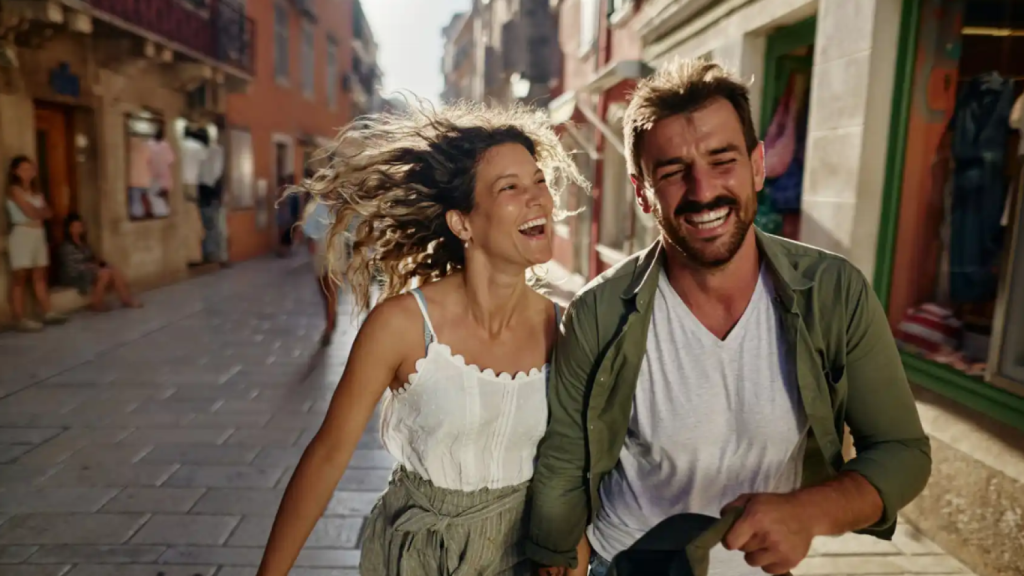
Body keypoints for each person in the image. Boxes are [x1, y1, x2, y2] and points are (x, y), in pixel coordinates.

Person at [527, 60, 932, 576]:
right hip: (626, 562)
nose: (702, 192)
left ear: (758, 165)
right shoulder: (598, 312)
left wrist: (809, 512)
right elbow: (564, 461)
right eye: (673, 172)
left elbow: (901, 450)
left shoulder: (833, 293)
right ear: (642, 190)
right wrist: (559, 557)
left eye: (723, 161)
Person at [255, 101, 590, 576]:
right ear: (463, 223)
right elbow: (329, 454)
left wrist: (570, 553)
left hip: (524, 555)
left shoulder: (565, 329)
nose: (539, 198)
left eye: (538, 181)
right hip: (417, 554)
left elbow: (571, 467)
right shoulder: (402, 326)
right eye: (510, 187)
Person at [5, 156, 67, 331]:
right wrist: (39, 211)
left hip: (38, 234)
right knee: (20, 277)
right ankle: (20, 318)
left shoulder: (37, 193)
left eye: (30, 168)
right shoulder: (14, 190)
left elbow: (49, 213)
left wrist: (39, 211)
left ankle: (48, 312)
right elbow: (31, 212)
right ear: (15, 171)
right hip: (21, 234)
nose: (28, 172)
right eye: (23, 169)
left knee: (40, 274)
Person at [57, 213, 142, 311]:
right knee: (104, 273)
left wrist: (101, 264)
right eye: (74, 227)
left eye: (79, 226)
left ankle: (126, 299)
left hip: (88, 270)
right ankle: (96, 303)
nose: (78, 229)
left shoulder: (83, 243)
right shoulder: (66, 247)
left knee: (113, 270)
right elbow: (72, 267)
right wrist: (93, 267)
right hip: (74, 275)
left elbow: (92, 257)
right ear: (69, 229)